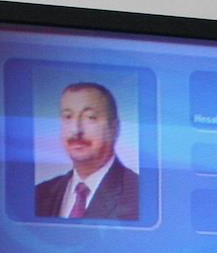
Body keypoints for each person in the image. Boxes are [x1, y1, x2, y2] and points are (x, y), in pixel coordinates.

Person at [34, 82, 139, 221]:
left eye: (90, 117)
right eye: (68, 117)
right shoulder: (39, 194)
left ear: (114, 128)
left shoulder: (139, 194)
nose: (76, 130)